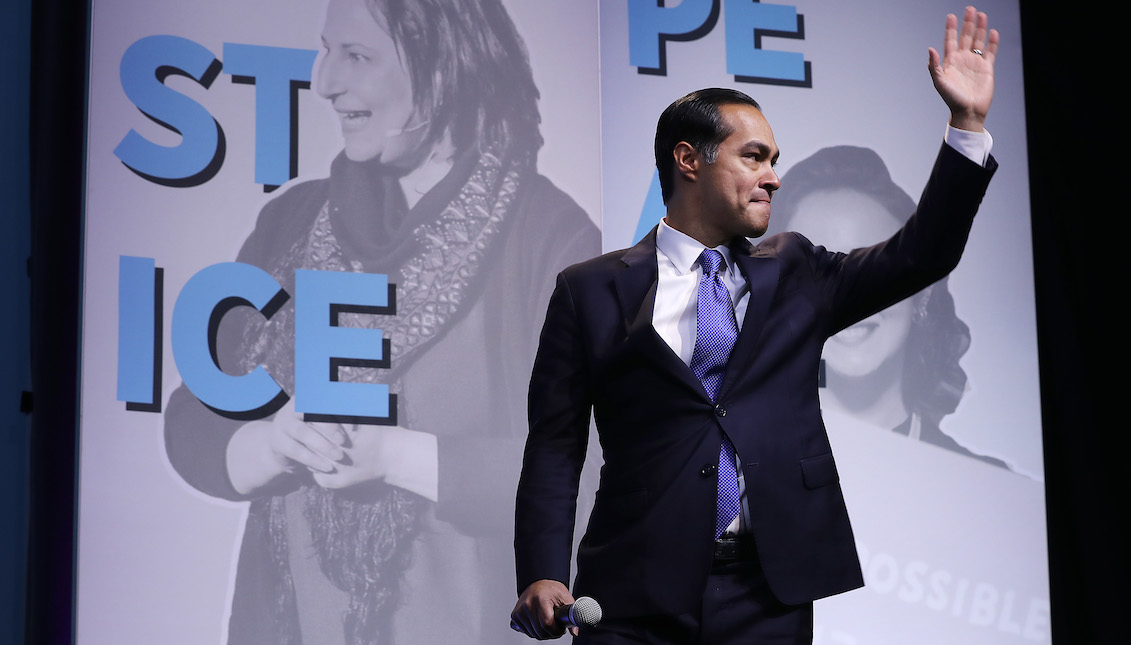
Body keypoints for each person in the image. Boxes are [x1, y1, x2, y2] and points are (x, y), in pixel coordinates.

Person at [511, 7, 998, 644]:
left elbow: (922, 253)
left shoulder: (796, 271)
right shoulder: (589, 289)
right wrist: (543, 572)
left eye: (775, 159)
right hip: (632, 595)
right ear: (689, 159)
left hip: (767, 595)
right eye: (754, 157)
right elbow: (555, 442)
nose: (773, 175)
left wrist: (965, 127)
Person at [163, 0, 598, 643]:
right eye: (326, 49)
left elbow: (591, 473)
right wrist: (271, 444)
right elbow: (193, 420)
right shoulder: (292, 223)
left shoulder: (547, 238)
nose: (324, 80)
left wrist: (395, 457)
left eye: (357, 56)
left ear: (444, 66)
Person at [766, 145, 1008, 469]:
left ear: (920, 294)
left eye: (872, 266)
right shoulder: (728, 478)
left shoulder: (986, 484)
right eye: (818, 271)